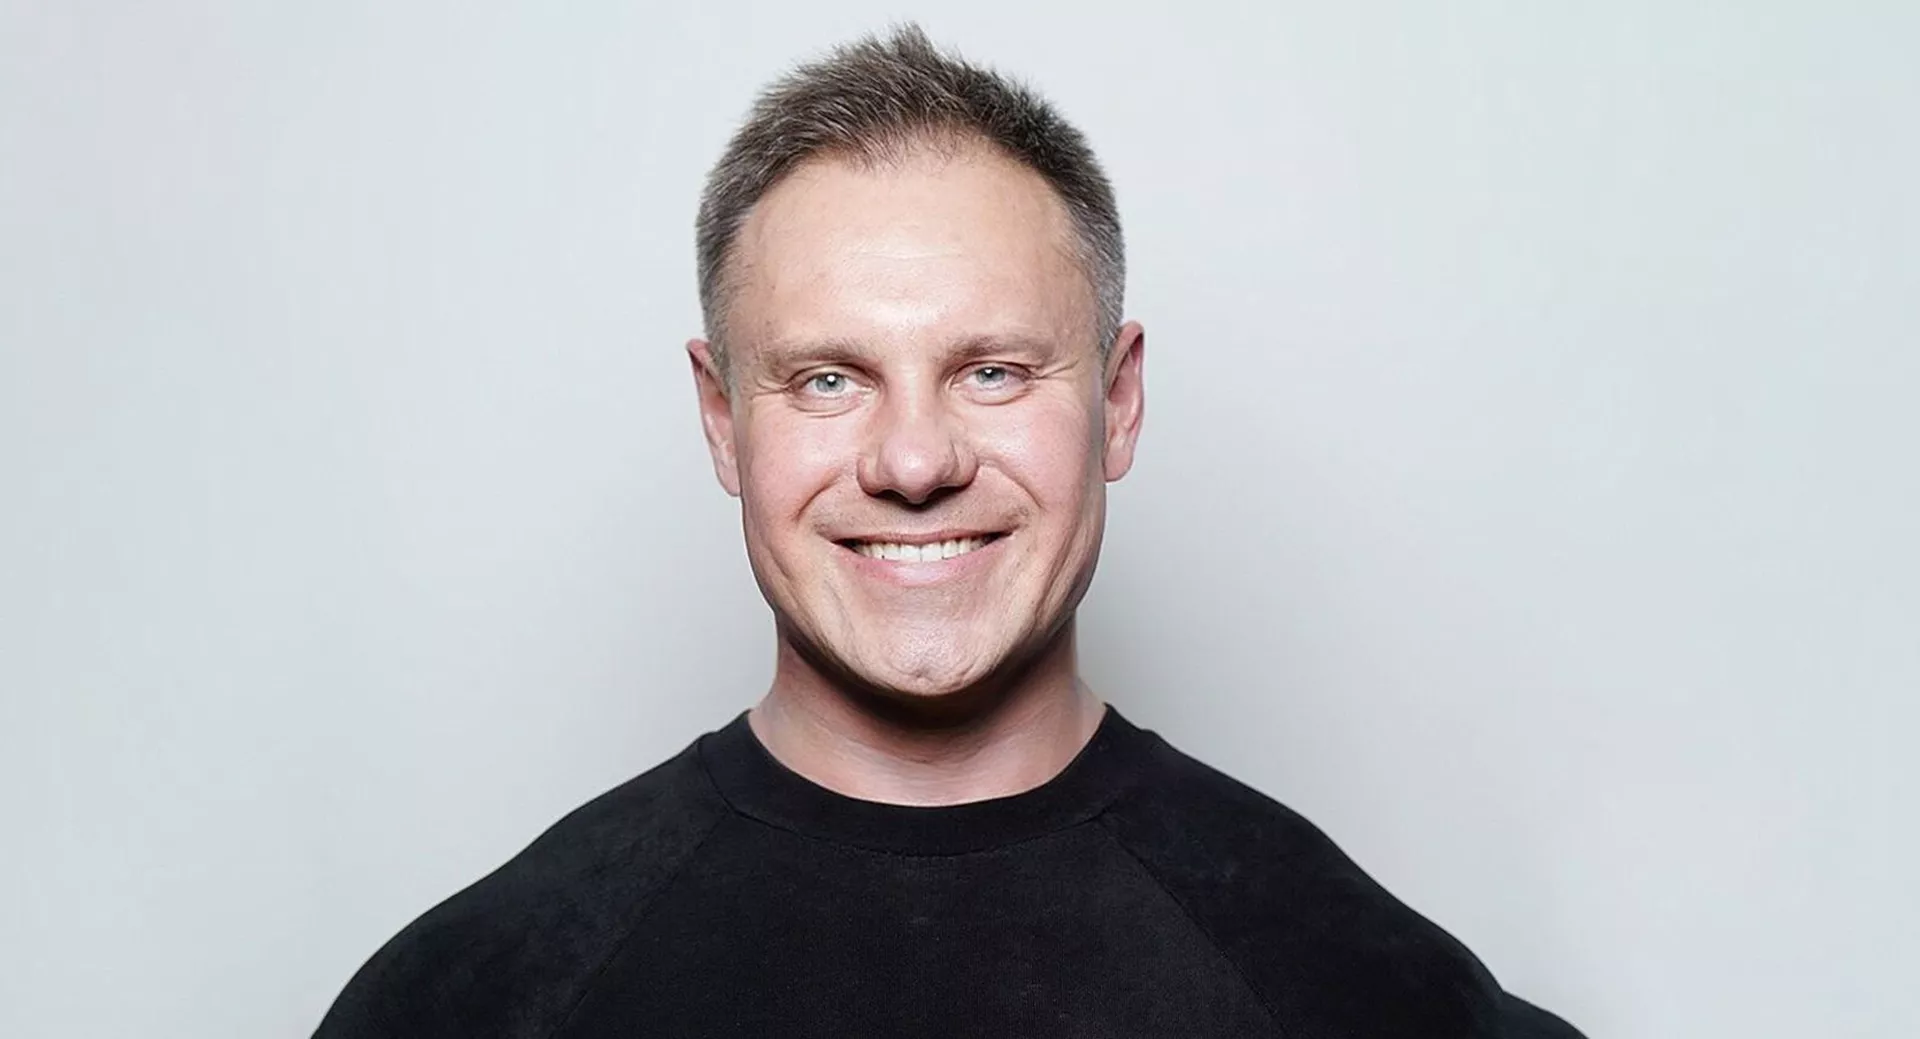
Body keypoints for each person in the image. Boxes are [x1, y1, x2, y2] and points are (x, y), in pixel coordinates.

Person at [315, 25, 1583, 1038]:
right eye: (827, 379)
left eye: (993, 371)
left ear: (1117, 402)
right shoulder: (473, 998)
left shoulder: (1360, 989)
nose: (914, 463)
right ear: (722, 420)